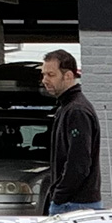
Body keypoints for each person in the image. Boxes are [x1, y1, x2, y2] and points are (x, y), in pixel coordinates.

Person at [40, 49, 103, 213]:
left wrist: (59, 196)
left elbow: (79, 162)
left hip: (74, 205)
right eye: (43, 74)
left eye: (51, 75)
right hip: (73, 202)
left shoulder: (76, 111)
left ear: (68, 76)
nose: (45, 80)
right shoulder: (67, 108)